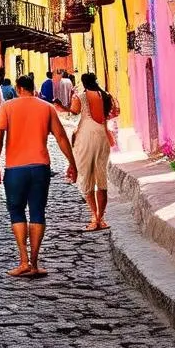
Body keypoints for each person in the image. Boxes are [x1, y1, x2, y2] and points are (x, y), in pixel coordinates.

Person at [0, 74, 77, 277]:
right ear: (33, 87)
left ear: (19, 88)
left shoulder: (7, 107)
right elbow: (61, 137)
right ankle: (35, 263)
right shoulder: (46, 107)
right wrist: (72, 163)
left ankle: (23, 261)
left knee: (17, 212)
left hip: (15, 168)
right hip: (40, 167)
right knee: (38, 211)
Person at [69, 72, 120, 231]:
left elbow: (74, 111)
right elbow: (115, 112)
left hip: (86, 138)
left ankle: (94, 216)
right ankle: (101, 218)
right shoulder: (106, 96)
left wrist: (68, 100)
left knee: (87, 177)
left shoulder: (81, 97)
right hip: (102, 138)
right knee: (101, 179)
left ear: (84, 83)